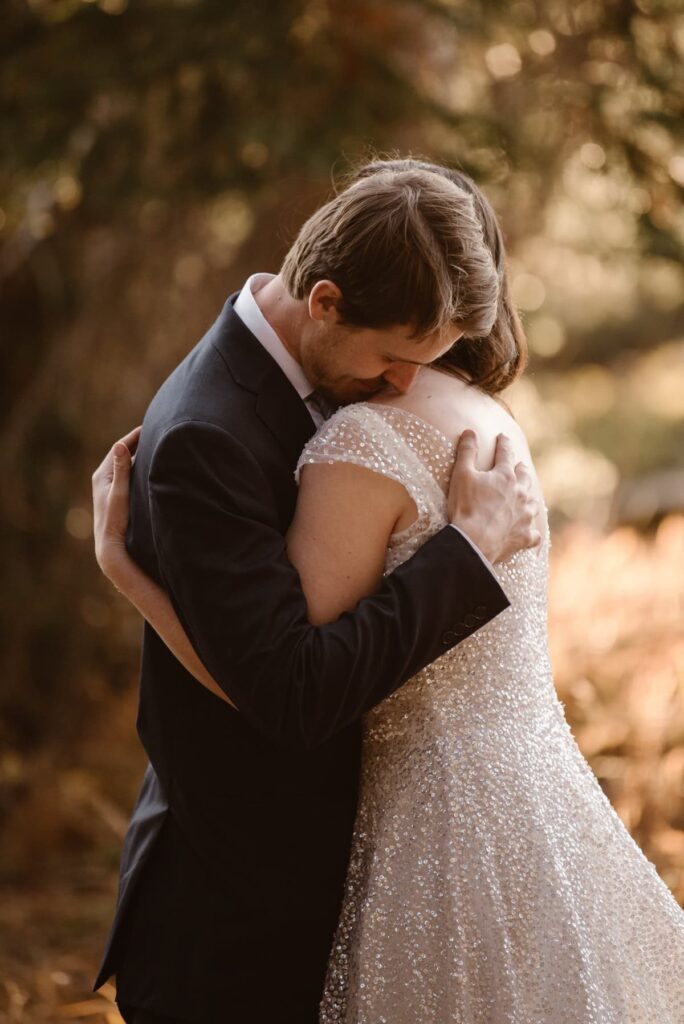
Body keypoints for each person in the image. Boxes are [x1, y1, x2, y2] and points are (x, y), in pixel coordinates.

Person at [91, 162, 541, 1024]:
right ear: (325, 301)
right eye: (394, 359)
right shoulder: (204, 438)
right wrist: (467, 553)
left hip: (322, 887)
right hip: (232, 916)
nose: (406, 385)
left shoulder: (321, 370)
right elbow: (292, 696)